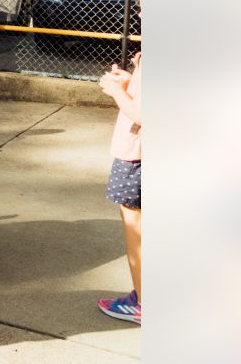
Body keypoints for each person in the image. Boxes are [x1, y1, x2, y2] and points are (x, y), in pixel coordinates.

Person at [97, 50, 142, 325]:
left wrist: (117, 91)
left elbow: (143, 112)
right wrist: (131, 81)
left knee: (135, 227)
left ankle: (143, 301)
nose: (140, 15)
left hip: (137, 155)